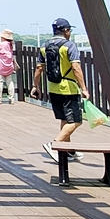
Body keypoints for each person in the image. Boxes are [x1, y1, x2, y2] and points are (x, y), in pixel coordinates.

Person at [31, 18, 90, 163]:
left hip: (53, 88)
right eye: (69, 30)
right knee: (76, 121)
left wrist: (35, 85)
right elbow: (76, 68)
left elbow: (39, 68)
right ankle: (54, 144)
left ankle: (68, 150)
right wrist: (84, 88)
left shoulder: (44, 47)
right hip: (69, 89)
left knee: (65, 119)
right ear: (65, 31)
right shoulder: (69, 46)